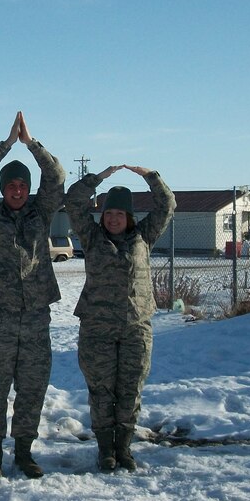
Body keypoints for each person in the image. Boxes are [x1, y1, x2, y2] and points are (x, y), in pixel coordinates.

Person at [0, 111, 66, 480]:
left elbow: (56, 178)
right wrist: (7, 144)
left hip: (35, 316)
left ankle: (24, 451)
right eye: (11, 185)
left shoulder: (41, 213)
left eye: (22, 185)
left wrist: (32, 146)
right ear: (3, 188)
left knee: (32, 386)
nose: (17, 190)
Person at [65, 164, 176, 472]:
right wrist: (97, 179)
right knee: (101, 391)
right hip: (96, 328)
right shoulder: (90, 236)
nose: (113, 219)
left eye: (119, 214)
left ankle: (123, 448)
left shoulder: (144, 237)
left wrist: (150, 176)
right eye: (109, 213)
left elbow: (167, 205)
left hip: (135, 328)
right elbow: (73, 201)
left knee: (130, 390)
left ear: (129, 217)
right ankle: (105, 451)